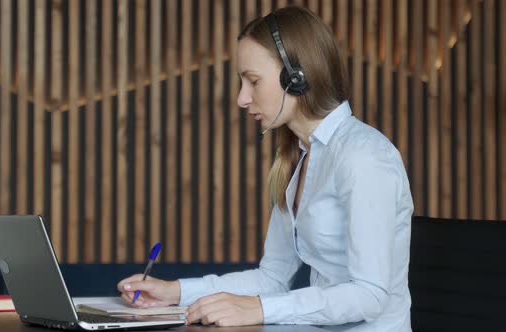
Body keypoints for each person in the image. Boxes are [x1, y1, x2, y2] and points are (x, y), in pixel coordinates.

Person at [117, 6, 413, 331]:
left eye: (253, 81)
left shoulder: (364, 157)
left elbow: (369, 295)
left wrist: (259, 309)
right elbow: (272, 277)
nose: (242, 98)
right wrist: (175, 292)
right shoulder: (299, 159)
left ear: (296, 79)